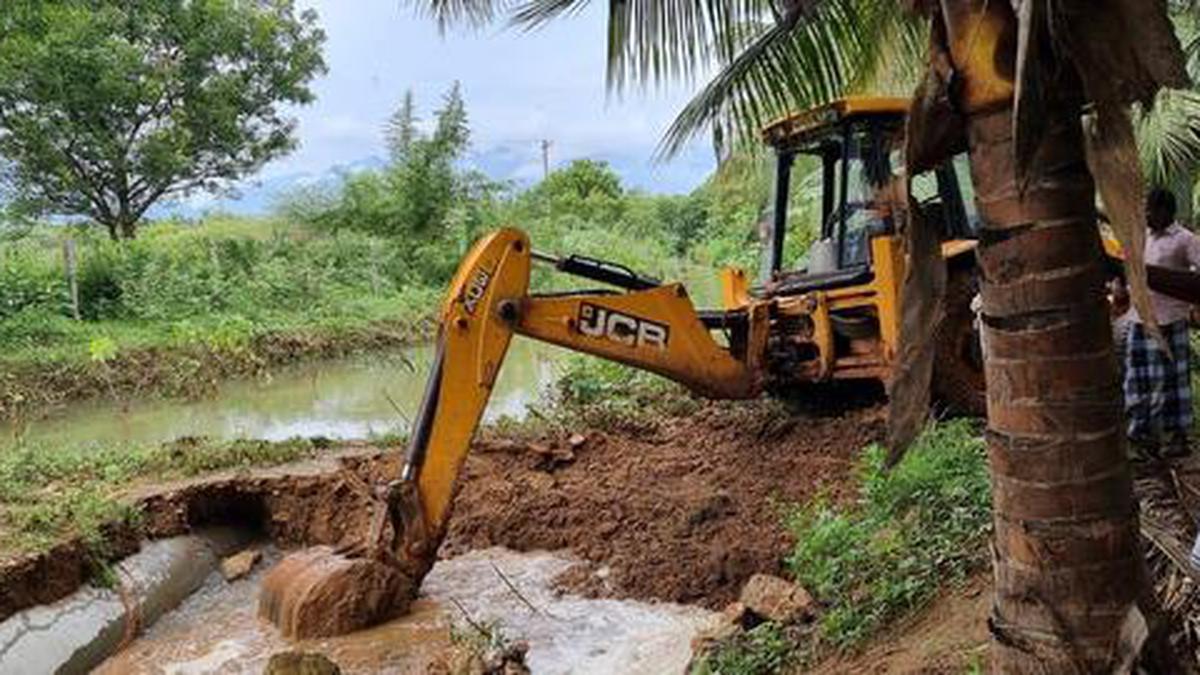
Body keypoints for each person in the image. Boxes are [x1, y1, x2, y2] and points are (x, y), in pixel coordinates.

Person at [1124, 188, 1200, 459]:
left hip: (1170, 321)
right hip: (1139, 319)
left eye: (1151, 210)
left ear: (1167, 211)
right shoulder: (1140, 237)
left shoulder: (1185, 240)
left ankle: (1176, 437)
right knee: (1138, 381)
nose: (1146, 215)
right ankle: (1140, 437)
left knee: (1171, 383)